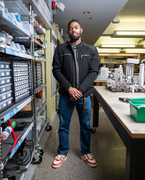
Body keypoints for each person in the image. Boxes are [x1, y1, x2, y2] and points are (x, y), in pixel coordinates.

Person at [52, 19, 100, 168]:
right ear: (68, 32)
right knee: (64, 125)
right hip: (66, 95)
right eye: (71, 28)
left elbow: (93, 72)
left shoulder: (91, 50)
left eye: (76, 28)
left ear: (81, 30)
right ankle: (62, 152)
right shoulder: (60, 49)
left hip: (84, 96)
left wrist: (79, 90)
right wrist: (70, 89)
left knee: (85, 125)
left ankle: (86, 152)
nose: (74, 30)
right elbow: (56, 70)